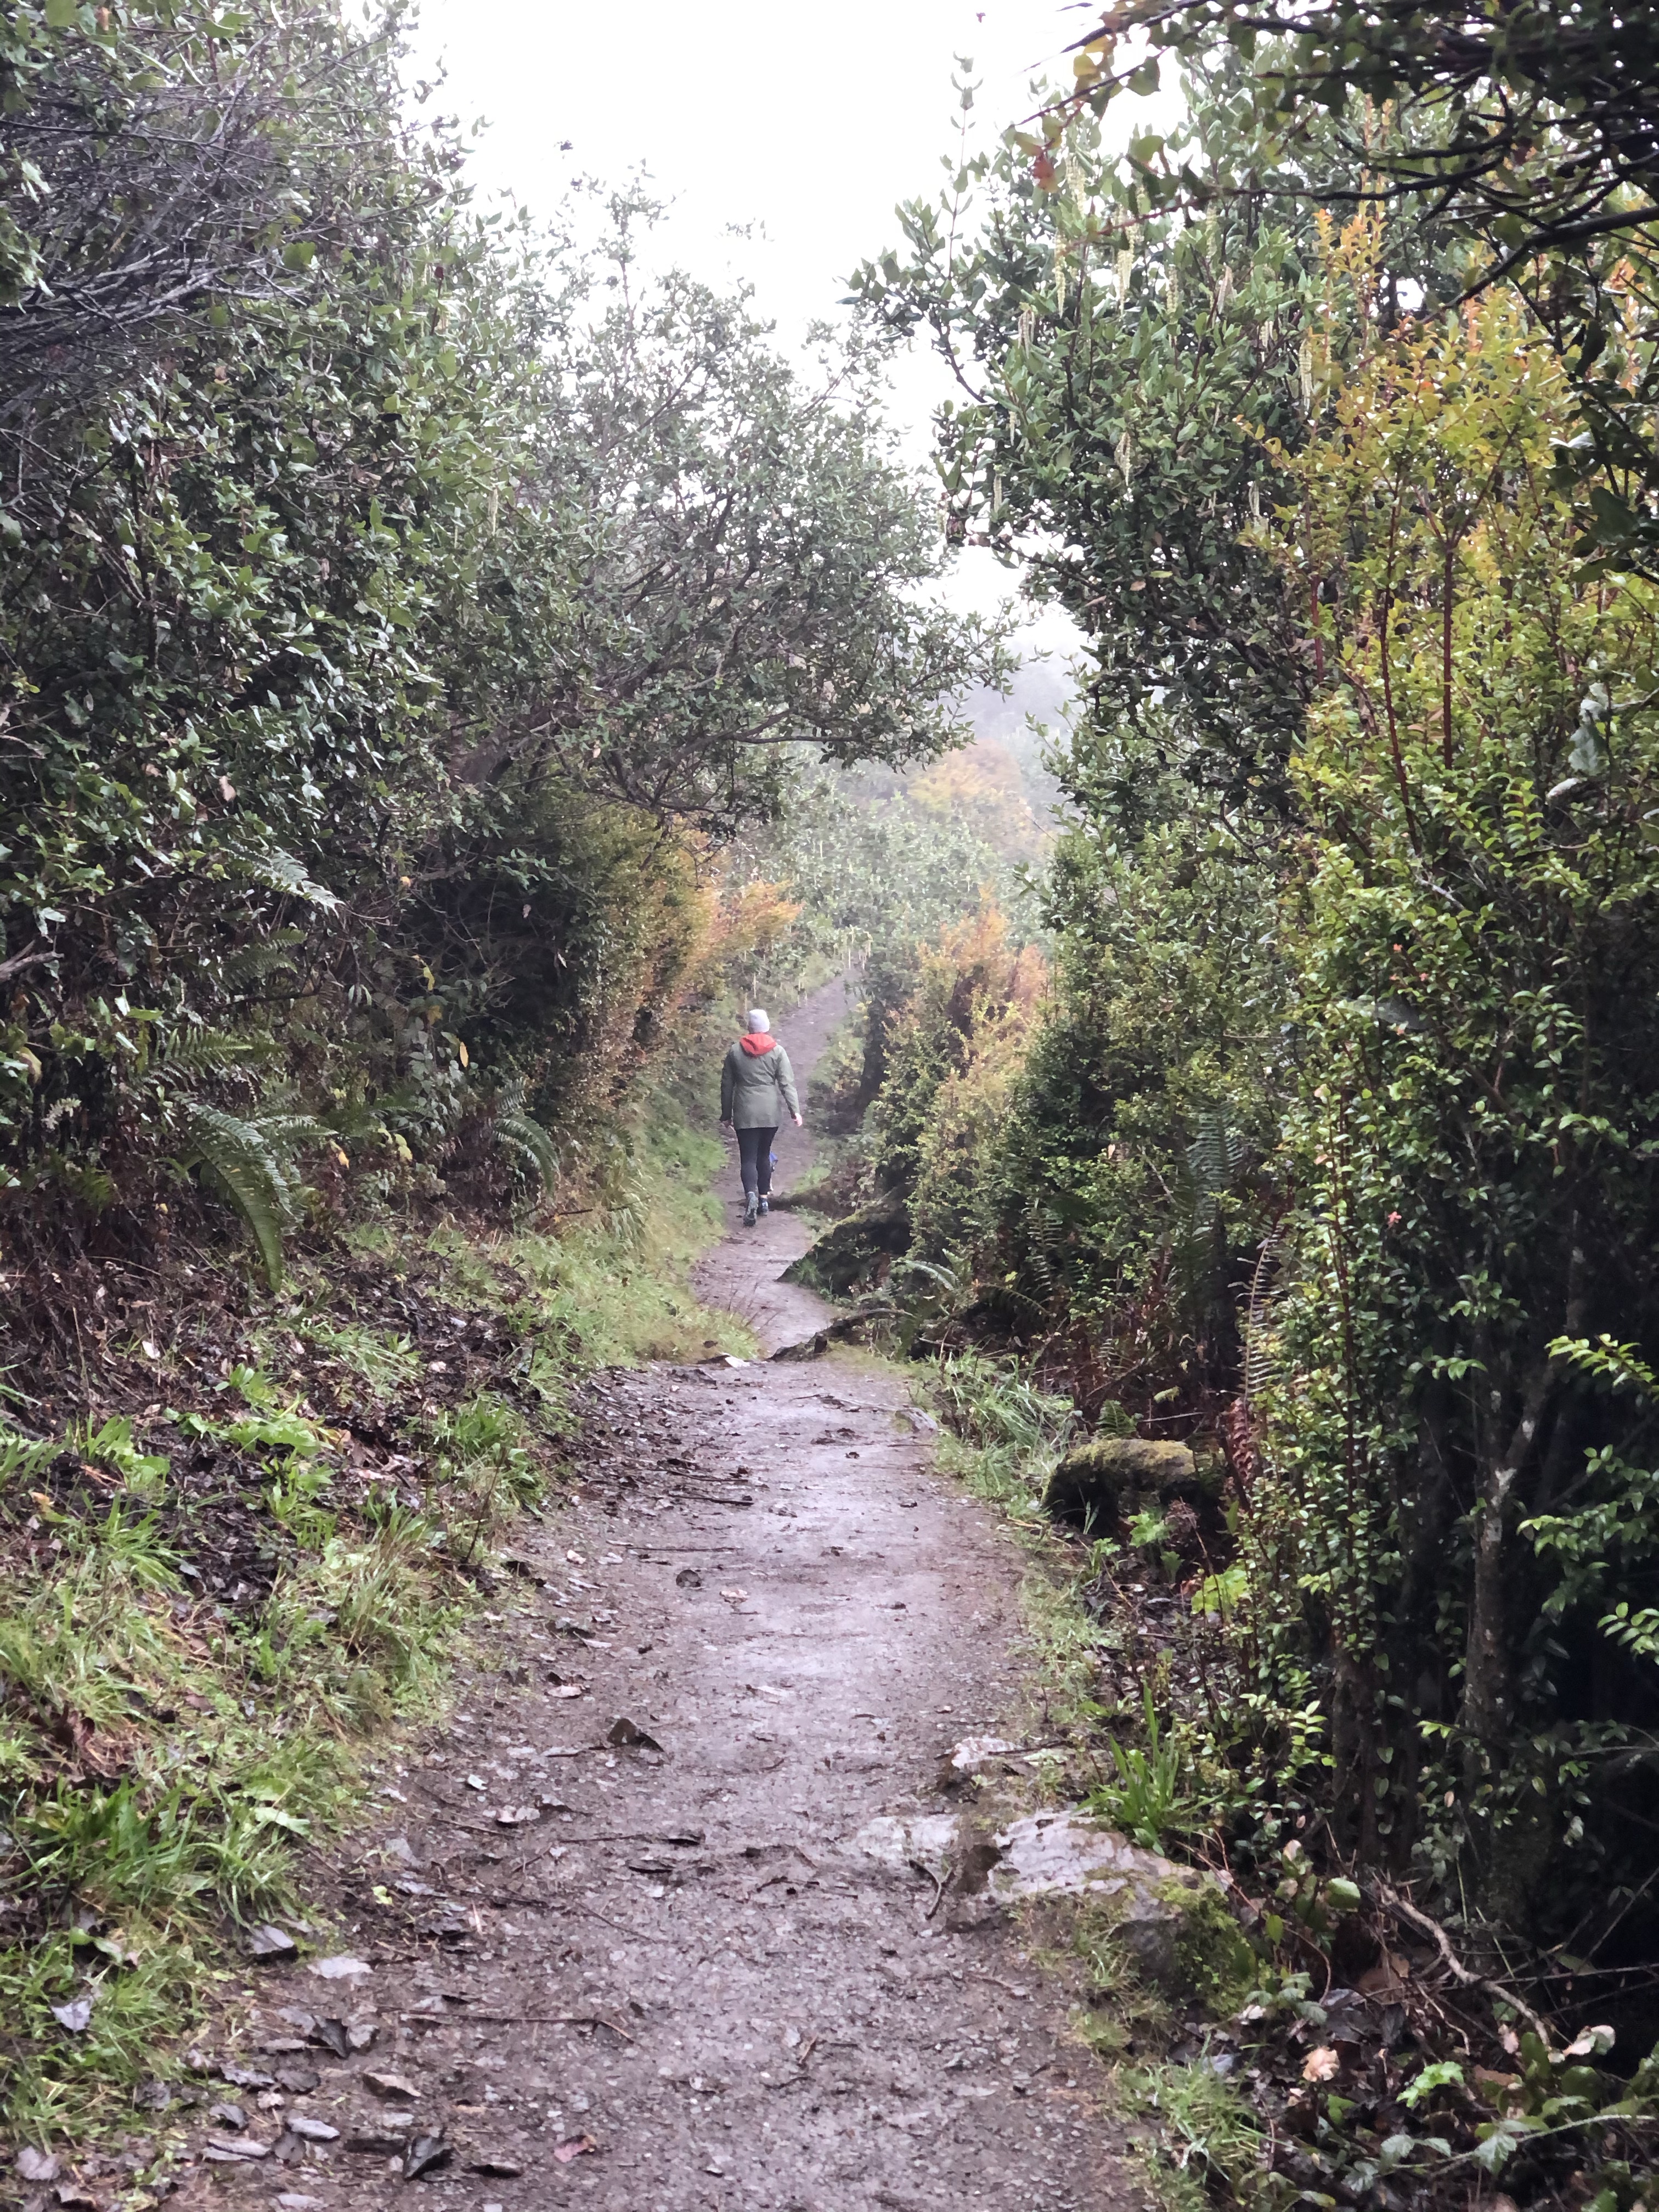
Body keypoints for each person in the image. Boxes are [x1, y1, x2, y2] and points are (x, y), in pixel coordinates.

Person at [719, 1007, 802, 1226]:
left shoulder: (735, 1051)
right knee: (764, 1155)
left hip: (745, 1110)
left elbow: (727, 1085)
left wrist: (726, 1114)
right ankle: (764, 1200)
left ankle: (751, 1195)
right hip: (769, 1111)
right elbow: (786, 1083)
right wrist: (795, 1110)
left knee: (748, 1158)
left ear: (749, 1027)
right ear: (767, 1027)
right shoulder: (778, 1051)